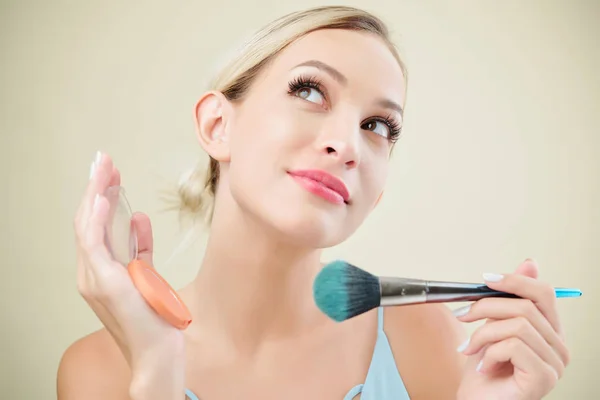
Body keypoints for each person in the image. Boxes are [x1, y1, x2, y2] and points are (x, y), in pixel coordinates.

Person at [57, 5, 571, 400]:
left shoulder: (432, 342)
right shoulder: (98, 371)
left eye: (377, 127)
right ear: (218, 125)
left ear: (377, 193)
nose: (348, 145)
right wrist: (156, 373)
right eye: (309, 92)